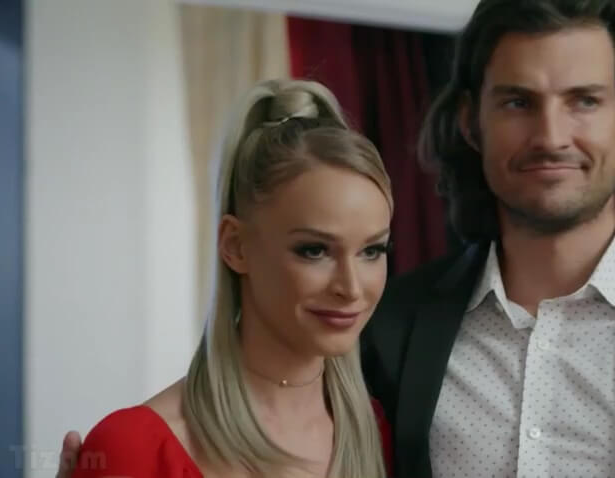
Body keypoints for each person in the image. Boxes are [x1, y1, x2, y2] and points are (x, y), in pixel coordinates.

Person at [58, 1, 615, 477]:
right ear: (470, 120)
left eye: (583, 100)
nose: (552, 134)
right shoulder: (386, 335)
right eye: (517, 101)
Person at [63, 79, 393, 478]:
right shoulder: (134, 448)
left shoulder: (382, 434)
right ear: (235, 246)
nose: (352, 288)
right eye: (314, 250)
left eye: (372, 251)